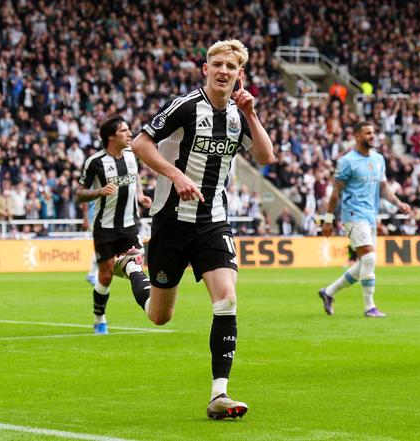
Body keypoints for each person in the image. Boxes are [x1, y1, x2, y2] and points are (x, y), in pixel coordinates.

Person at [130, 39, 275, 419]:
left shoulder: (239, 115)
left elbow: (265, 157)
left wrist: (253, 115)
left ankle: (219, 394)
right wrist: (176, 175)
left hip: (213, 221)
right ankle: (132, 270)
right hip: (171, 221)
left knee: (227, 298)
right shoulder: (186, 106)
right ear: (206, 69)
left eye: (231, 66)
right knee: (160, 315)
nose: (224, 71)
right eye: (218, 64)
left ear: (240, 74)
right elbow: (140, 143)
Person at [318, 121, 411, 317]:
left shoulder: (378, 159)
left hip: (370, 216)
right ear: (357, 136)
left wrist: (398, 203)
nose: (372, 136)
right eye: (367, 133)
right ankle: (370, 307)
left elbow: (383, 188)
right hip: (353, 215)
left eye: (373, 132)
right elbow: (335, 192)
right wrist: (328, 219)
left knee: (364, 264)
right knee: (369, 258)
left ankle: (329, 292)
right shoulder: (347, 161)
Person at [76, 115, 152, 335]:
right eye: (124, 131)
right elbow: (80, 194)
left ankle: (147, 300)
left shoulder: (132, 155)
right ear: (111, 137)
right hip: (104, 228)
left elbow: (135, 178)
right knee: (105, 276)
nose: (130, 134)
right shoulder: (95, 162)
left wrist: (140, 195)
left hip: (130, 226)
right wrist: (100, 191)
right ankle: (99, 318)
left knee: (136, 265)